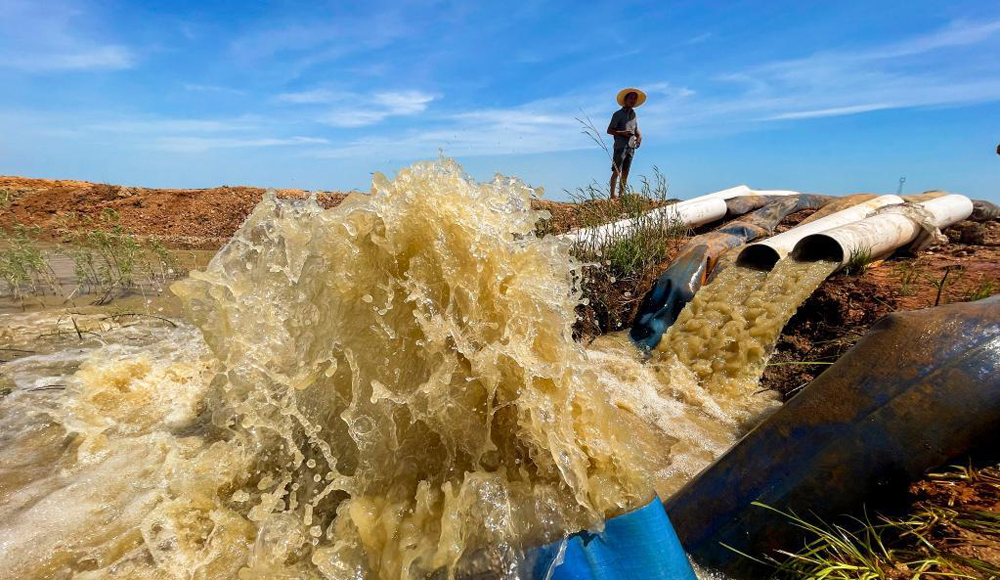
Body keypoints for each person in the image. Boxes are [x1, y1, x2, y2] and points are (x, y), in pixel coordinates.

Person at [606, 88, 646, 199]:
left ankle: (621, 195)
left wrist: (640, 137)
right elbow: (609, 130)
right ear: (626, 99)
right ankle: (612, 196)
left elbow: (635, 128)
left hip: (631, 147)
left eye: (635, 98)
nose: (633, 100)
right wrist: (622, 133)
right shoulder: (617, 114)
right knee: (617, 171)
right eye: (631, 98)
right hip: (620, 146)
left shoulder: (634, 114)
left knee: (626, 172)